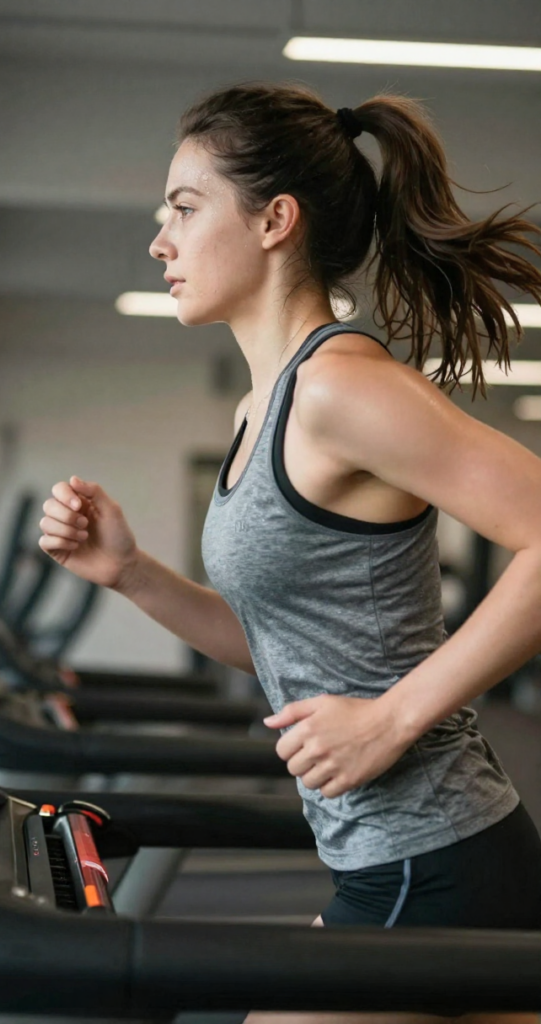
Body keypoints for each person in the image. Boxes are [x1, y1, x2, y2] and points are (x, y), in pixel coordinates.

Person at [39, 83, 541, 1023]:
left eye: (184, 209)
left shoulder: (338, 389)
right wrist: (131, 574)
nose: (160, 241)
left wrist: (390, 720)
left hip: (427, 857)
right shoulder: (259, 411)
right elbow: (279, 643)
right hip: (406, 858)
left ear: (274, 219)